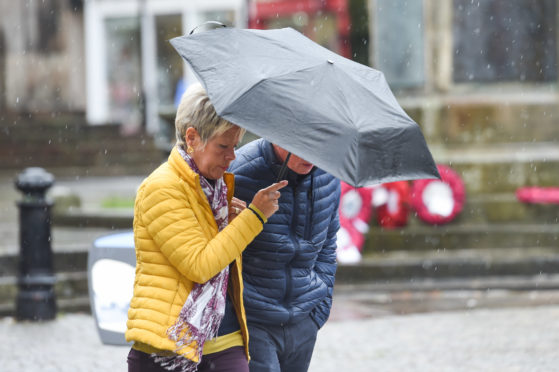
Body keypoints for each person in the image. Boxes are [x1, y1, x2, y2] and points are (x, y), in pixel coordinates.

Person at [125, 83, 287, 372]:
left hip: (225, 340)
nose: (232, 157)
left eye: (235, 146)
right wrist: (254, 218)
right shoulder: (161, 188)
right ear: (192, 137)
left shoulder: (216, 190)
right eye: (223, 147)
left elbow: (221, 256)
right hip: (168, 346)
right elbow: (199, 265)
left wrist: (232, 223)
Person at [229, 139, 341, 372]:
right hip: (253, 321)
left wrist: (318, 311)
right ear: (276, 134)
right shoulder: (239, 172)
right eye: (302, 143)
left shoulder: (329, 175)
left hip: (304, 320)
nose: (310, 154)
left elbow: (328, 245)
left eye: (317, 142)